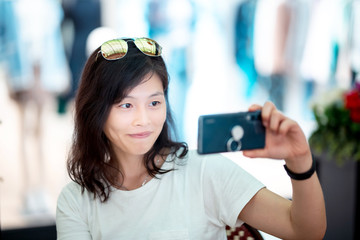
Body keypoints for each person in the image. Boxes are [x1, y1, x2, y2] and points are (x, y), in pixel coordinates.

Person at [56, 37, 326, 239]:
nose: (143, 119)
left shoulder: (203, 172)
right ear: (96, 111)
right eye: (126, 105)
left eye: (154, 102)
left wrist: (299, 159)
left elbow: (304, 231)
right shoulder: (76, 201)